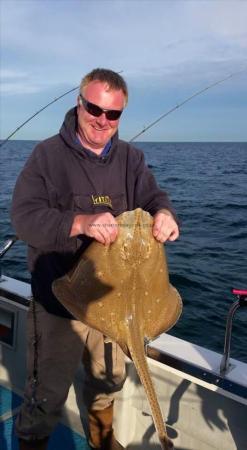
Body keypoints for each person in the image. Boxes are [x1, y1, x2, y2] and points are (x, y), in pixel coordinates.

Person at [11, 68, 179, 450]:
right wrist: (80, 222)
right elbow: (24, 217)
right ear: (79, 102)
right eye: (94, 108)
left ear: (121, 115)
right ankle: (32, 441)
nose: (102, 120)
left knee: (109, 382)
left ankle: (101, 439)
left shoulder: (131, 159)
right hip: (58, 302)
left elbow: (153, 198)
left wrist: (165, 214)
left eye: (113, 114)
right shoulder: (47, 156)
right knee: (47, 393)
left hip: (112, 303)